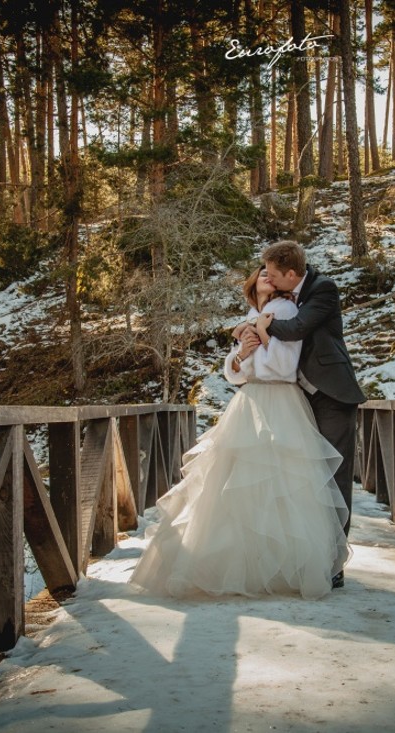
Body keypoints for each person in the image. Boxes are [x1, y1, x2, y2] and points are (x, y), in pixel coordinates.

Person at [129, 265, 350, 600]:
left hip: (280, 400)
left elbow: (283, 367)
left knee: (283, 483)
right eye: (260, 272)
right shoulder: (254, 314)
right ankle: (243, 564)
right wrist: (242, 354)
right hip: (250, 401)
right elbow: (234, 372)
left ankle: (291, 566)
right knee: (232, 482)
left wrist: (258, 339)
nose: (266, 275)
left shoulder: (286, 310)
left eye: (270, 273)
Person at [256, 241, 366, 589]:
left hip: (333, 396)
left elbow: (296, 329)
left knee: (333, 477)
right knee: (304, 477)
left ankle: (334, 563)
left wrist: (262, 326)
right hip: (302, 398)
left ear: (292, 274)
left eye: (274, 275)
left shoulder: (323, 289)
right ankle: (306, 555)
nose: (269, 280)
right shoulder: (287, 296)